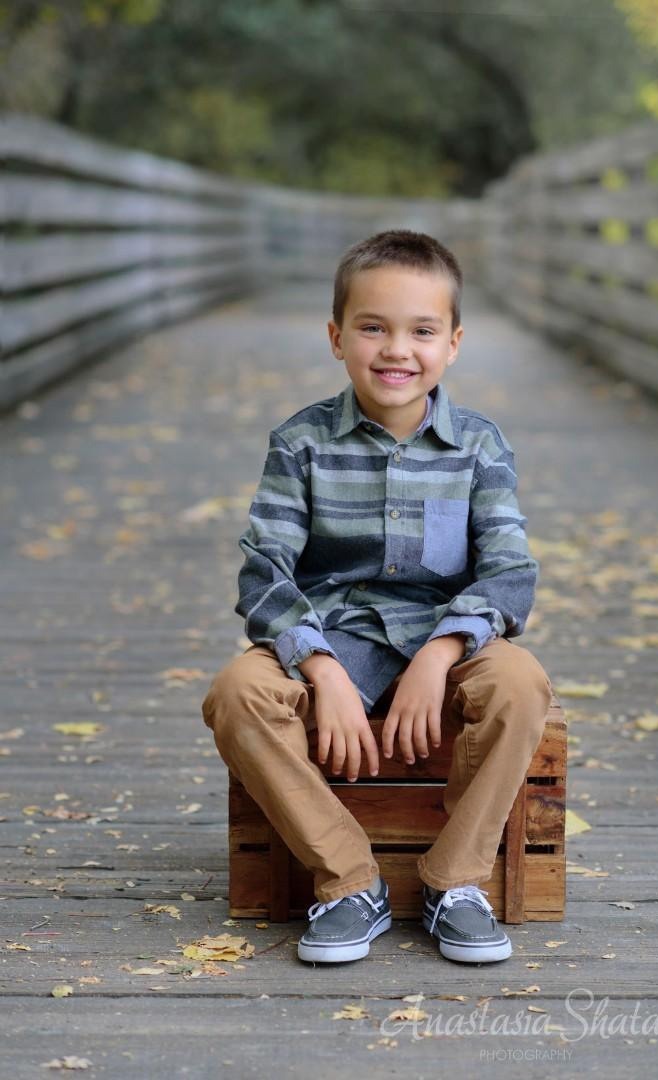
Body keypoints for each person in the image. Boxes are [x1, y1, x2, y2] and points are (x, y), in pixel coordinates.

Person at [201, 228, 553, 965]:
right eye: (373, 327)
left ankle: (456, 879)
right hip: (333, 636)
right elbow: (264, 568)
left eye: (421, 330)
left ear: (453, 343)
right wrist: (321, 670)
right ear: (337, 337)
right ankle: (347, 877)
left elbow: (511, 569)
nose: (397, 349)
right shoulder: (301, 443)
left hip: (446, 642)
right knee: (236, 692)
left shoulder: (479, 447)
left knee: (523, 684)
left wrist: (441, 650)